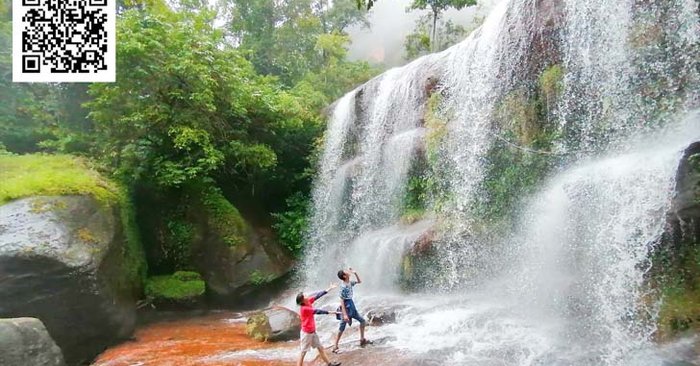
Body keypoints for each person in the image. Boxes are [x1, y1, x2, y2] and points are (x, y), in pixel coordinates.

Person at [296, 283, 342, 366]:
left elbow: (317, 296)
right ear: (302, 300)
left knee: (320, 348)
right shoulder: (304, 309)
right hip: (306, 334)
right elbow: (318, 311)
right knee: (303, 352)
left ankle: (329, 364)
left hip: (312, 332)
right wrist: (333, 312)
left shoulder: (308, 302)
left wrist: (329, 288)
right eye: (305, 295)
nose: (307, 295)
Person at [332, 267, 371, 353]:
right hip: (346, 306)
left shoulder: (349, 283)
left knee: (362, 321)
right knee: (342, 326)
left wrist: (355, 273)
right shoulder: (343, 286)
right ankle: (335, 345)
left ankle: (362, 338)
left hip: (351, 305)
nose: (348, 272)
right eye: (346, 272)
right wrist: (345, 314)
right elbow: (341, 300)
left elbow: (359, 281)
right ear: (345, 276)